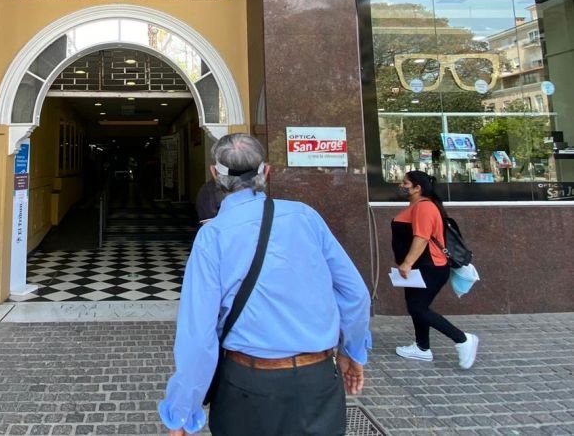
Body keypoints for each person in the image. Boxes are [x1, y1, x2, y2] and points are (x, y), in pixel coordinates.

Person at [159, 133, 371, 435]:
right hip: (318, 380)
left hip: (247, 386)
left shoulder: (212, 236)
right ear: (266, 171)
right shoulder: (306, 217)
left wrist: (182, 411)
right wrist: (352, 351)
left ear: (214, 174)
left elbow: (198, 336)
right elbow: (356, 294)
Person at [393, 170, 478, 369]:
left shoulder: (424, 207)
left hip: (430, 267)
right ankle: (422, 347)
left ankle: (463, 339)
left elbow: (421, 238)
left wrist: (407, 263)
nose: (401, 186)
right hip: (420, 268)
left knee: (418, 308)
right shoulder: (418, 206)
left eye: (405, 183)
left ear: (417, 188)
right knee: (416, 306)